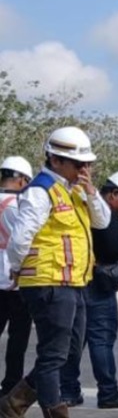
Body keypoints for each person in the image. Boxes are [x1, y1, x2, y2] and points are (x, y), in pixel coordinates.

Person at [0, 126, 110, 418]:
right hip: (47, 283)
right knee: (53, 356)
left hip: (73, 282)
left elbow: (102, 222)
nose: (84, 170)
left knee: (69, 352)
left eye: (86, 165)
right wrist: (19, 270)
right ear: (56, 160)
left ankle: (14, 402)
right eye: (78, 165)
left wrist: (91, 191)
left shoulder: (73, 190)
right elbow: (20, 239)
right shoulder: (40, 190)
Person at [59, 171, 118, 409]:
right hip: (99, 288)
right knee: (101, 340)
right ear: (114, 194)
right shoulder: (106, 215)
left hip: (77, 282)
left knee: (75, 341)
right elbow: (111, 250)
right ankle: (108, 393)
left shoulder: (79, 208)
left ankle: (68, 391)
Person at [0, 156, 34, 397]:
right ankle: (11, 385)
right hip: (15, 281)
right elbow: (22, 241)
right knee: (17, 339)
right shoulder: (17, 205)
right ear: (22, 180)